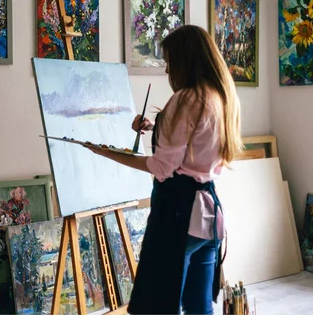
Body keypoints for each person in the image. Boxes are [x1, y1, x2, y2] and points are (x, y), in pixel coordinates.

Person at [86, 25, 243, 315]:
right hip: (209, 220)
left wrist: (106, 152)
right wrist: (157, 126)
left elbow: (161, 167)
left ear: (186, 61)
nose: (168, 71)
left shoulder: (186, 99)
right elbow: (194, 143)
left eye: (170, 63)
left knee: (156, 306)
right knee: (199, 308)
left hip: (179, 216)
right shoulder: (220, 96)